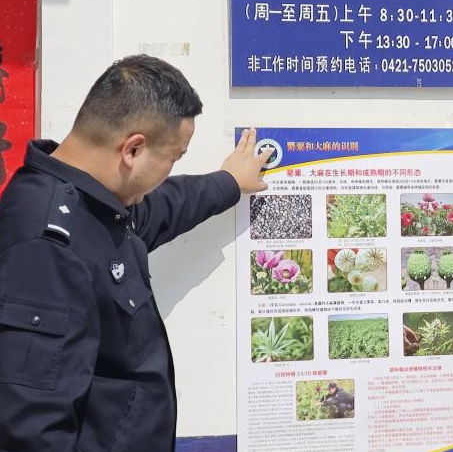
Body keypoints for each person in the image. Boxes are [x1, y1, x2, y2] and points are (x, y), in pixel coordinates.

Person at [0, 54, 272, 452]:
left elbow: (159, 210)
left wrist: (229, 181)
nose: (169, 170)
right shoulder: (48, 248)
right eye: (173, 158)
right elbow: (32, 428)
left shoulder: (92, 205)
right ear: (132, 150)